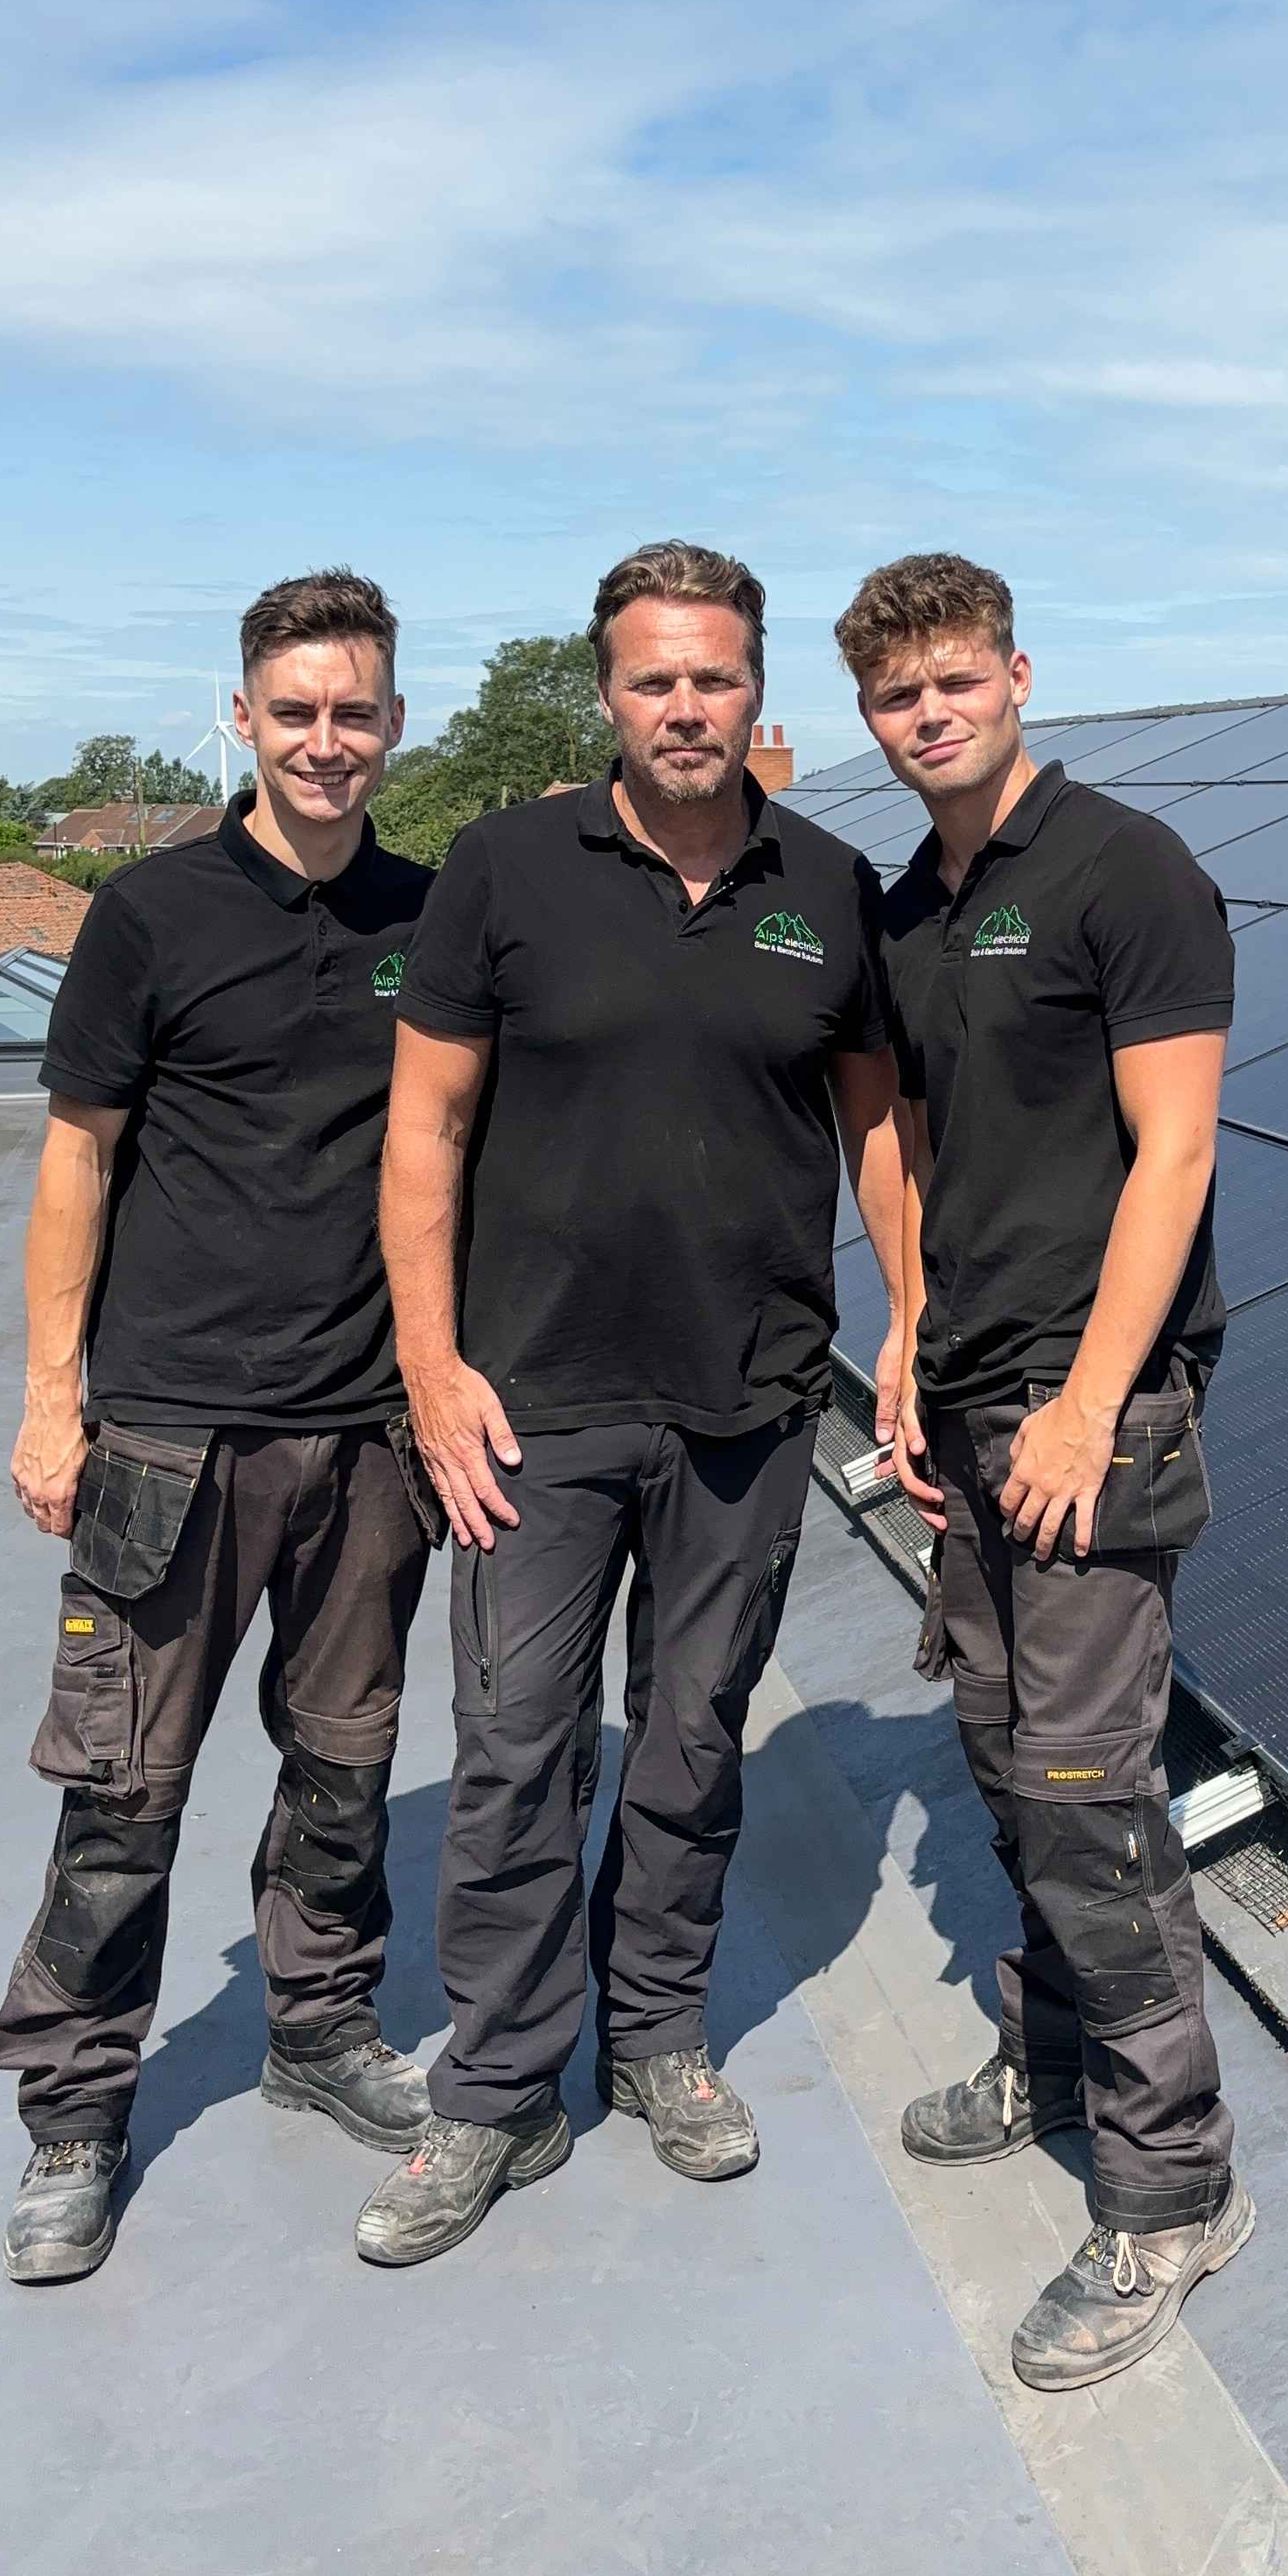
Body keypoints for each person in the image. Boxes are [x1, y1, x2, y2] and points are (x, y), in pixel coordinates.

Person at [354, 539, 905, 2270]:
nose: (687, 705)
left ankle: (656, 2036)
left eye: (717, 677)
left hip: (745, 1408)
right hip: (534, 1409)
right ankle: (499, 2091)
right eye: (655, 677)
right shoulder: (505, 870)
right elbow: (423, 1131)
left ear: (758, 693)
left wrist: (913, 1325)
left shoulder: (829, 883)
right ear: (609, 691)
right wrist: (432, 1372)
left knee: (688, 1746)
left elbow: (883, 1128)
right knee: (517, 1754)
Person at [0, 570, 441, 2286]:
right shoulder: (153, 916)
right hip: (168, 1439)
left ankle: (318, 2024)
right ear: (242, 718)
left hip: (368, 1441)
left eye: (356, 712)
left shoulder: (433, 917)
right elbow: (77, 1158)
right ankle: (76, 2113)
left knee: (345, 1767)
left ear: (394, 725)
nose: (327, 741)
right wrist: (52, 1402)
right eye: (296, 711)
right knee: (120, 1797)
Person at [836, 550, 1249, 2390]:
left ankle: (1171, 2192)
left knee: (1090, 1792)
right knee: (1004, 1759)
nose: (931, 715)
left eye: (956, 682)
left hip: (1101, 1410)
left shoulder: (1125, 871)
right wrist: (913, 1339)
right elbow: (921, 1146)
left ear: (1020, 679)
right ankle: (1061, 2052)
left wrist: (1089, 1400)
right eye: (896, 697)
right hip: (979, 1395)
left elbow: (1171, 1156)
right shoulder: (909, 908)